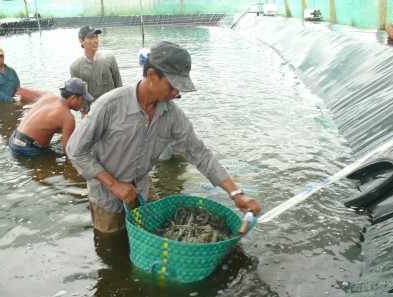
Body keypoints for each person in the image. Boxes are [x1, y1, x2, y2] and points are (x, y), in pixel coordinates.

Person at [66, 41, 261, 234]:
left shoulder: (172, 115)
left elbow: (199, 154)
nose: (177, 92)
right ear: (152, 75)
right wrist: (114, 184)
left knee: (159, 233)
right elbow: (75, 151)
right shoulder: (109, 105)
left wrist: (236, 194)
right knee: (112, 246)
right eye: (173, 85)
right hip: (106, 196)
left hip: (141, 187)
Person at [9, 77, 93, 156]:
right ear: (73, 98)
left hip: (14, 138)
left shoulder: (48, 96)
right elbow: (67, 150)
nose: (83, 103)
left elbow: (46, 124)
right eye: (82, 99)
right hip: (25, 148)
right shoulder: (68, 118)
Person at [70, 25, 122, 118]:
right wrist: (84, 116)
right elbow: (79, 96)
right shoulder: (75, 67)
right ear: (81, 41)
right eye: (91, 37)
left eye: (96, 37)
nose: (96, 40)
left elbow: (119, 84)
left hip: (113, 110)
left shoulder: (109, 57)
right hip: (93, 114)